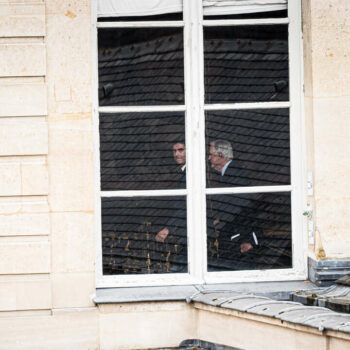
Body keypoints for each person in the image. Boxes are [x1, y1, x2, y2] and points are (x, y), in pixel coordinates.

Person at [208, 140, 261, 270]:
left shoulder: (235, 174)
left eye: (211, 155)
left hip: (240, 238)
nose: (209, 158)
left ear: (220, 155)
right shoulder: (228, 173)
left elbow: (245, 208)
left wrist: (246, 239)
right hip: (235, 235)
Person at [155, 141, 186, 243]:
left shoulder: (191, 173)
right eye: (174, 151)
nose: (176, 155)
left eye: (180, 150)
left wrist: (168, 228)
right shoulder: (183, 172)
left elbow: (185, 207)